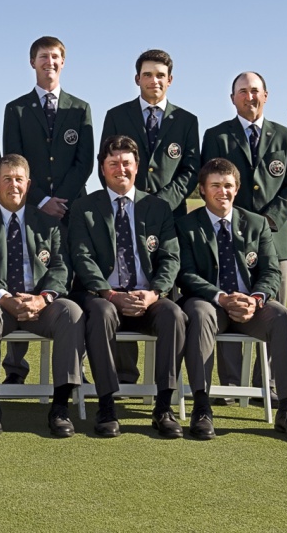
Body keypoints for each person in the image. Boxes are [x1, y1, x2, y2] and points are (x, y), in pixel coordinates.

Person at [177, 158, 287, 442]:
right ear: (202, 190)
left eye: (228, 185)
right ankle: (202, 407)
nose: (222, 192)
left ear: (236, 189)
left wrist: (255, 299)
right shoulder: (186, 226)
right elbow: (185, 274)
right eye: (215, 186)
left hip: (251, 306)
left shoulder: (256, 224)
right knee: (199, 315)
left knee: (286, 318)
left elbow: (271, 271)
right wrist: (223, 298)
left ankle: (286, 410)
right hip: (210, 304)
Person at [68, 135, 186, 438]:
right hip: (103, 296)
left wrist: (154, 292)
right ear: (102, 169)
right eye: (113, 163)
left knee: (174, 315)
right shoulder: (84, 208)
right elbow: (82, 258)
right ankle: (106, 405)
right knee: (102, 314)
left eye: (127, 163)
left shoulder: (157, 207)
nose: (121, 168)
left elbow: (170, 257)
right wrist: (110, 294)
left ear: (137, 167)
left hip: (148, 297)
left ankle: (163, 407)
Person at [0, 154, 85, 437]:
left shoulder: (49, 224)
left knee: (72, 312)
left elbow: (61, 267)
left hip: (40, 305)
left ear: (28, 184)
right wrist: (5, 299)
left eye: (19, 179)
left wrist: (43, 299)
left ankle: (60, 407)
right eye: (6, 179)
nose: (13, 186)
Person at [100, 49, 200, 385]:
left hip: (168, 217)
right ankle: (125, 377)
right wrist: (133, 199)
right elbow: (107, 163)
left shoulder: (186, 121)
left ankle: (164, 387)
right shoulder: (117, 115)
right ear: (137, 79)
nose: (154, 80)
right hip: (124, 214)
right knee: (127, 283)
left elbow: (189, 170)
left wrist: (159, 203)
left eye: (160, 75)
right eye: (147, 74)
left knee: (161, 296)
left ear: (170, 80)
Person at [201, 72, 287, 398]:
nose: (249, 96)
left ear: (266, 95)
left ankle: (268, 384)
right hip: (228, 237)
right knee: (232, 307)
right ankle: (231, 384)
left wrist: (268, 222)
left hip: (274, 238)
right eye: (242, 92)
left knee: (270, 312)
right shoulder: (217, 136)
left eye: (255, 90)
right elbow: (212, 183)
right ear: (233, 99)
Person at [1, 36, 94, 386]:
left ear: (63, 62)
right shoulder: (17, 109)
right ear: (32, 63)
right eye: (43, 57)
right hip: (29, 208)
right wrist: (40, 200)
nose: (49, 62)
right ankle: (15, 369)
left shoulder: (80, 108)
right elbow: (14, 159)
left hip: (71, 211)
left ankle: (75, 366)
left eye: (55, 57)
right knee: (22, 279)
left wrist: (62, 200)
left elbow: (85, 161)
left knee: (72, 284)